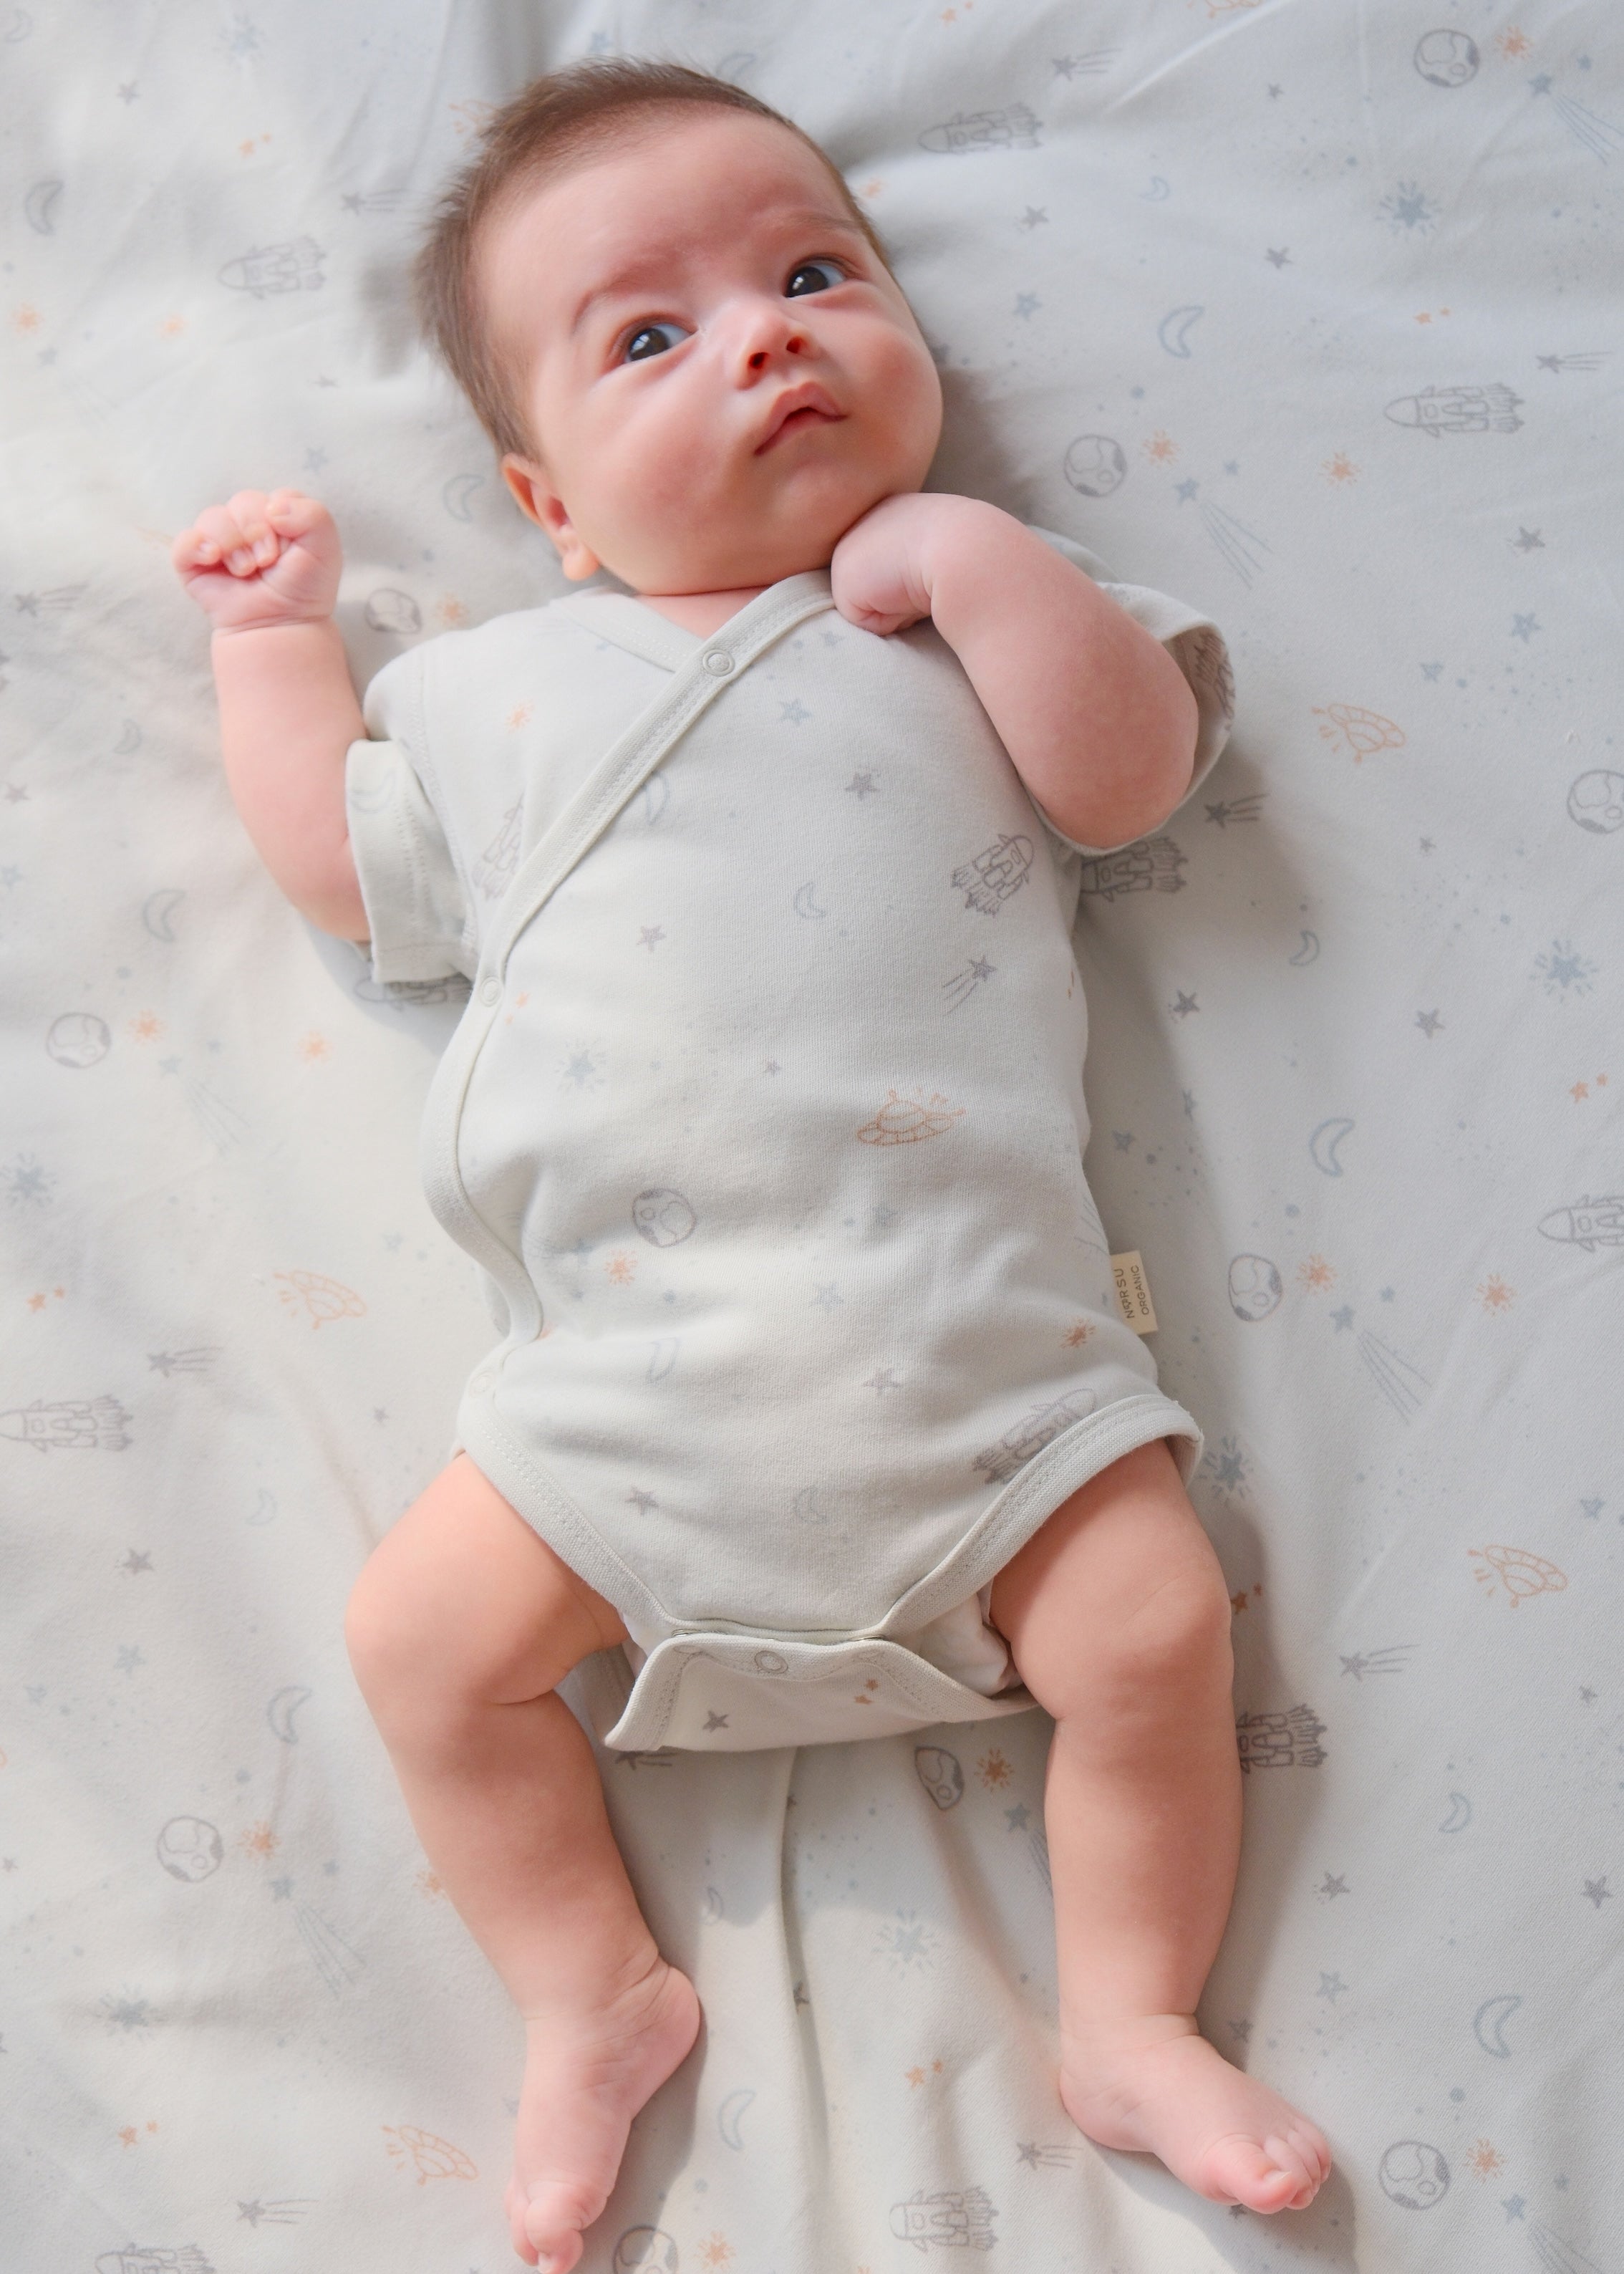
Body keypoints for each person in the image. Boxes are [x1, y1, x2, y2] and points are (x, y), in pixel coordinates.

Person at [170, 57, 1330, 2273]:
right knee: (426, 1647)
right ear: (550, 505)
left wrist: (977, 557)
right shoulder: (505, 697)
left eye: (816, 274)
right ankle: (584, 1992)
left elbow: (1123, 786)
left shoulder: (975, 620)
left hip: (987, 1358)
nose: (768, 336)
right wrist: (275, 647)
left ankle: (1125, 2020)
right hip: (623, 1383)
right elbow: (339, 871)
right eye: (651, 335)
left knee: (1150, 1625)